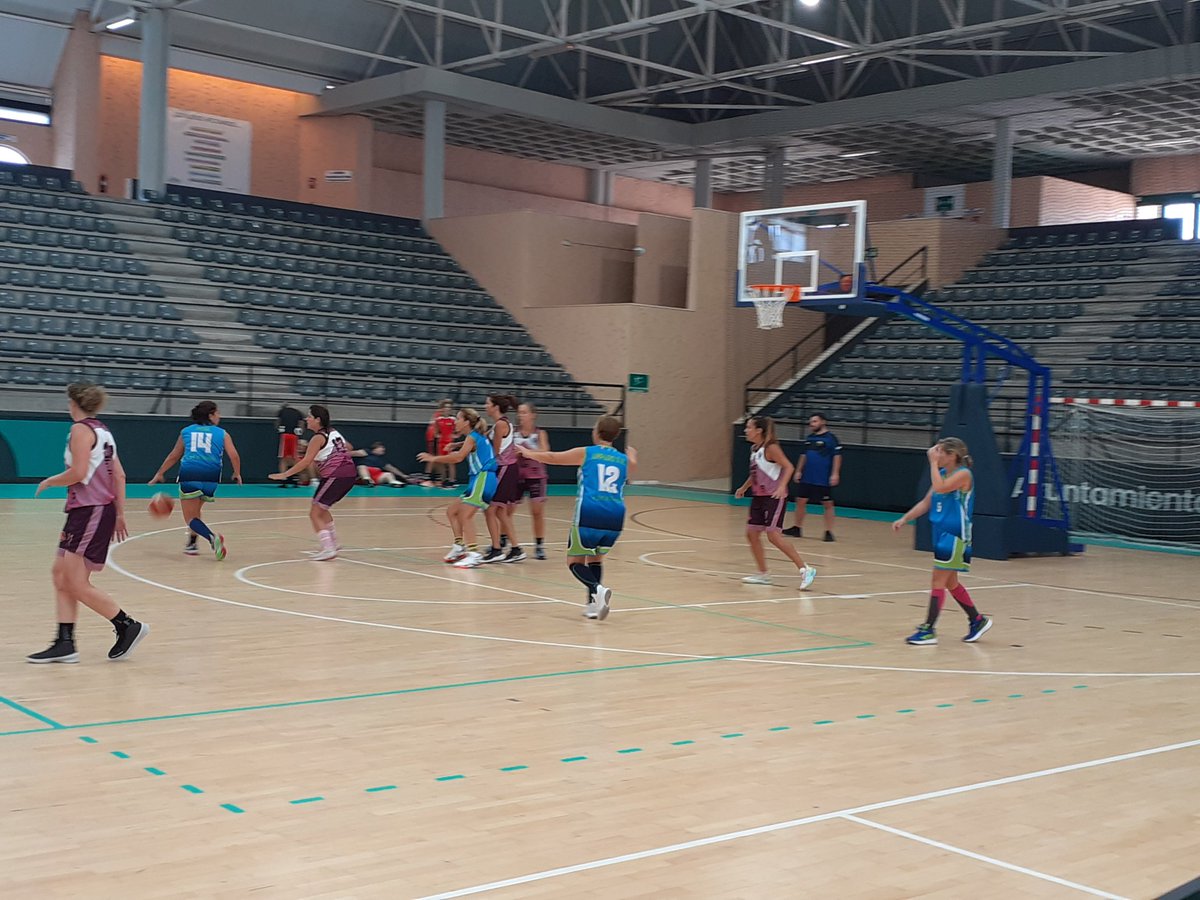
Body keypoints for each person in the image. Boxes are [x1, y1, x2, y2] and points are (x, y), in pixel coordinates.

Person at [27, 383, 148, 663]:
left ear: (73, 403)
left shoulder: (81, 430)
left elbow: (78, 472)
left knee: (75, 582)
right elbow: (120, 475)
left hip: (90, 510)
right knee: (60, 575)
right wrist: (119, 513)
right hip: (92, 510)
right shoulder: (104, 431)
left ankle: (127, 625)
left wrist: (49, 481)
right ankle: (65, 642)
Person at [517, 416, 634, 621]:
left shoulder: (588, 452)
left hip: (590, 511)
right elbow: (631, 469)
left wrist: (528, 453)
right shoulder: (623, 459)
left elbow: (554, 458)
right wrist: (633, 458)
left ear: (597, 432)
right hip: (616, 515)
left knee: (574, 561)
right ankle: (592, 605)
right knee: (596, 558)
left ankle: (597, 589)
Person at [892, 437, 992, 646]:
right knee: (950, 582)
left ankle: (929, 629)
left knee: (938, 581)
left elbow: (942, 487)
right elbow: (926, 501)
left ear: (952, 455)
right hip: (942, 532)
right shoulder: (943, 474)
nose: (936, 455)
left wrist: (931, 463)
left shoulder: (963, 474)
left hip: (955, 535)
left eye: (940, 452)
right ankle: (977, 620)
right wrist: (905, 518)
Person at [149, 400, 243, 559]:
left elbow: (174, 455)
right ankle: (192, 544)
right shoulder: (222, 433)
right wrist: (237, 473)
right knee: (196, 511)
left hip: (190, 473)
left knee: (190, 518)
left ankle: (212, 538)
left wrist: (159, 473)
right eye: (217, 412)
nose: (219, 416)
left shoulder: (186, 431)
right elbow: (233, 455)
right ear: (211, 415)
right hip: (212, 477)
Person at [734, 416, 817, 589]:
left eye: (749, 427)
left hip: (774, 497)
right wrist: (743, 487)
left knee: (773, 535)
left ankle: (805, 569)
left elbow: (788, 466)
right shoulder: (754, 449)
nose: (745, 430)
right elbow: (756, 473)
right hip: (759, 497)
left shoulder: (771, 448)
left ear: (759, 430)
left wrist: (781, 486)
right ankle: (763, 574)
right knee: (751, 534)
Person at [269, 405, 357, 560]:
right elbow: (348, 447)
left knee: (314, 513)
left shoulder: (317, 438)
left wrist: (285, 474)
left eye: (310, 416)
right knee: (323, 509)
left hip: (335, 475)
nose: (306, 419)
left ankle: (328, 548)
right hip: (349, 475)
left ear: (318, 420)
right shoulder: (333, 432)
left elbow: (305, 462)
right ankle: (333, 543)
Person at [417, 407, 496, 569]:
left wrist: (433, 458)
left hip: (484, 478)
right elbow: (466, 447)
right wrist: (456, 444)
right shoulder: (474, 436)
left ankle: (473, 554)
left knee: (465, 516)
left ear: (466, 422)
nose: (455, 422)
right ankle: (460, 547)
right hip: (478, 479)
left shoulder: (473, 437)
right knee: (452, 511)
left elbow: (459, 457)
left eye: (458, 419)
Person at [783, 412, 842, 541]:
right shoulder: (809, 438)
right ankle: (797, 528)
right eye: (811, 422)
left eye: (814, 421)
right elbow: (803, 455)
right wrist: (798, 471)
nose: (811, 424)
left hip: (822, 478)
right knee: (800, 501)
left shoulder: (831, 439)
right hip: (807, 477)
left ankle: (828, 532)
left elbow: (837, 457)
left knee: (827, 503)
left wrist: (835, 473)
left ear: (823, 422)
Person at [482, 394, 525, 563]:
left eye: (487, 403)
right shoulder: (499, 424)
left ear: (495, 406)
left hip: (505, 469)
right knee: (499, 511)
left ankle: (496, 549)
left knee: (490, 509)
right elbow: (481, 440)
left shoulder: (500, 424)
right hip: (507, 469)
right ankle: (515, 549)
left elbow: (495, 452)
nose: (485, 406)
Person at [513, 402, 550, 560]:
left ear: (533, 415)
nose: (521, 415)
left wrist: (527, 451)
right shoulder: (514, 432)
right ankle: (502, 541)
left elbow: (546, 451)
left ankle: (539, 545)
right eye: (519, 413)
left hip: (536, 476)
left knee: (537, 512)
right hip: (516, 475)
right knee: (506, 511)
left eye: (524, 412)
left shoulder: (540, 433)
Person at [276, 403, 304, 488]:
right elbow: (301, 424)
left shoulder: (282, 411)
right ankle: (296, 478)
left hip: (285, 435)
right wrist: (300, 432)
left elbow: (278, 423)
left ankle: (283, 479)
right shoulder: (298, 412)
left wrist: (278, 429)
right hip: (294, 436)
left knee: (283, 459)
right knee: (295, 457)